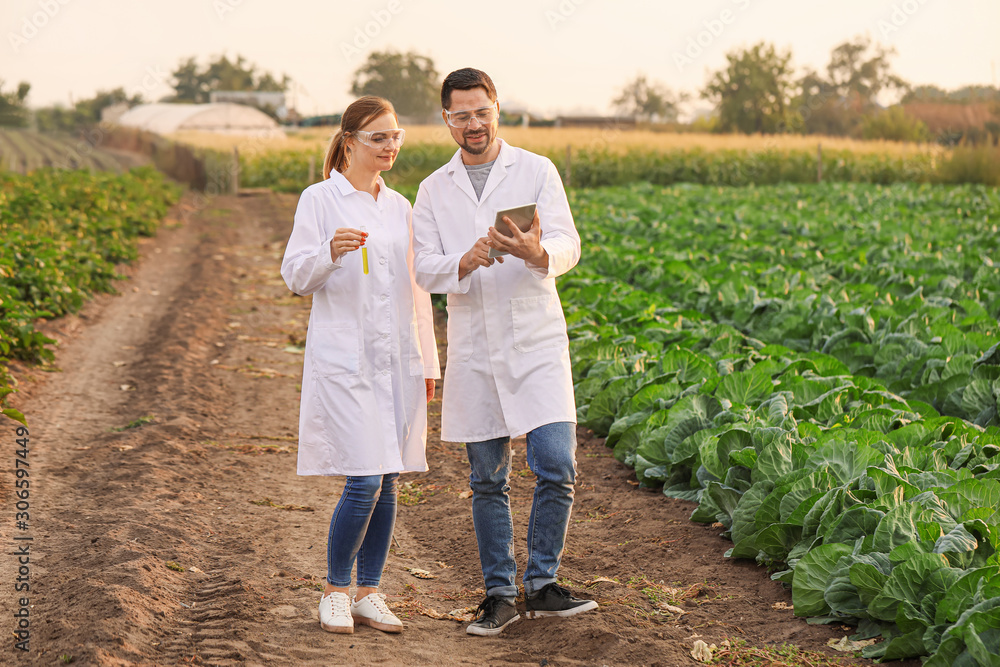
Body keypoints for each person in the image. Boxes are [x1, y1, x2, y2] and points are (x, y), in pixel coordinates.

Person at [411, 68, 596, 637]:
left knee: (556, 463)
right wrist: (461, 263)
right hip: (474, 344)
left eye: (480, 111)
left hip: (535, 336)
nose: (472, 124)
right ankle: (498, 594)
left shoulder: (536, 170)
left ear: (497, 108)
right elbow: (423, 266)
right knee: (487, 477)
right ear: (446, 119)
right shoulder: (432, 188)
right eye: (460, 115)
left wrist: (539, 252)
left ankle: (542, 583)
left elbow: (569, 242)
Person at [280, 96, 440, 636]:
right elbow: (297, 276)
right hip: (345, 359)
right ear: (349, 141)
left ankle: (371, 591)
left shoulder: (399, 207)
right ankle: (334, 591)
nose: (390, 146)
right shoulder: (320, 199)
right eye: (379, 137)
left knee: (389, 477)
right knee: (364, 477)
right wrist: (329, 251)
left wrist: (428, 361)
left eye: (395, 136)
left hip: (395, 359)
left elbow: (418, 291)